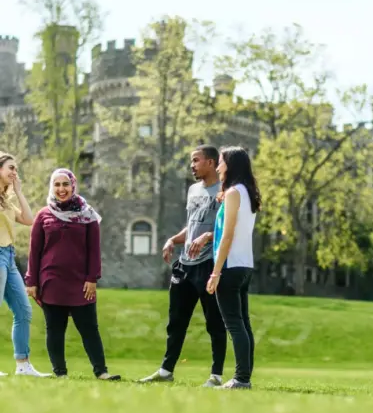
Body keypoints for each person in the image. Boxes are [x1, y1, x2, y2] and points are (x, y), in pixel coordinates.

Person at [139, 145, 227, 387]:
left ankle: (216, 375)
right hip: (185, 264)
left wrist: (207, 237)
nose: (192, 165)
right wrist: (172, 240)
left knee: (214, 323)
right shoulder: (192, 190)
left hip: (209, 265)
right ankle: (166, 371)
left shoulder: (224, 190)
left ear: (210, 162)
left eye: (196, 160)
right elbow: (193, 224)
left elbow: (226, 228)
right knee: (176, 321)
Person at [25, 168, 120, 380]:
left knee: (89, 329)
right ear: (52, 187)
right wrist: (31, 280)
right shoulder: (43, 215)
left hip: (81, 282)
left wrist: (92, 278)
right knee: (55, 330)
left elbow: (94, 249)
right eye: (57, 185)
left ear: (73, 186)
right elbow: (35, 250)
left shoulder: (88, 215)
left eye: (65, 184)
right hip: (51, 281)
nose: (61, 189)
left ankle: (101, 372)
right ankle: (60, 373)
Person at [206, 146, 261, 390]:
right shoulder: (248, 192)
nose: (218, 167)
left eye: (220, 162)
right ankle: (244, 377)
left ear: (231, 164)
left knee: (234, 325)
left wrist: (215, 272)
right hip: (245, 265)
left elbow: (227, 236)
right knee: (243, 323)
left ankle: (241, 379)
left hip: (229, 265)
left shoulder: (233, 193)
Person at [0, 152, 49, 377]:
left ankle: (23, 365)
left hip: (9, 258)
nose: (14, 172)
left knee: (23, 310)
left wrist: (18, 191)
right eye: (10, 167)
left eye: (16, 168)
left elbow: (30, 220)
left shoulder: (7, 200)